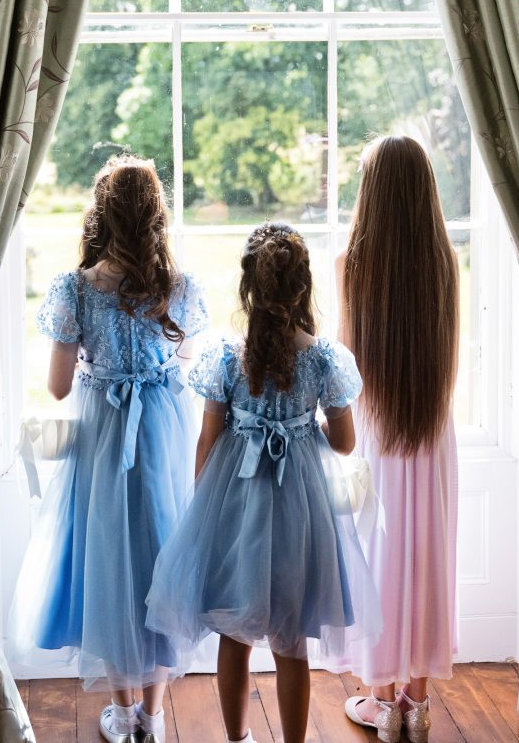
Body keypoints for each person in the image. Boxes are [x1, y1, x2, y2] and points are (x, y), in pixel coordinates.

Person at [146, 223, 380, 743]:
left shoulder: (227, 356)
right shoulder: (322, 359)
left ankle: (238, 739)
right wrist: (302, 428)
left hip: (236, 503)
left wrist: (202, 508)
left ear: (249, 288)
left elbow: (207, 442)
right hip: (300, 507)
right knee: (291, 640)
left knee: (234, 632)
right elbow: (344, 442)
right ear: (303, 287)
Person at [11, 155, 208, 743]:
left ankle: (122, 713)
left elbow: (57, 385)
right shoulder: (178, 287)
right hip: (162, 430)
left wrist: (99, 362)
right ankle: (155, 711)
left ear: (102, 216)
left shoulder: (77, 288)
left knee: (106, 558)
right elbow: (189, 365)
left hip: (103, 434)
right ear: (156, 218)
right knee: (162, 555)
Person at [336, 136, 459, 743]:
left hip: (378, 427)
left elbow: (346, 363)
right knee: (426, 555)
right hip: (431, 428)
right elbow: (448, 362)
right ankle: (418, 703)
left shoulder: (351, 265)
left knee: (377, 556)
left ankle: (382, 702)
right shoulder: (445, 261)